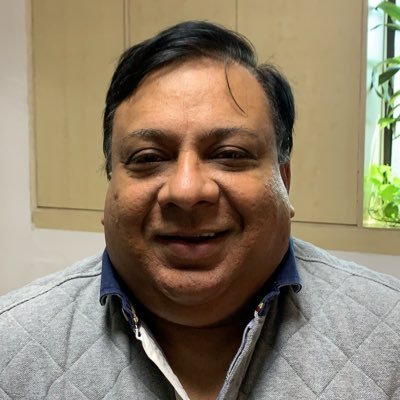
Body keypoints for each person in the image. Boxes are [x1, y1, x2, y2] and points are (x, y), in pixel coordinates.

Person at [1, 21, 399, 400]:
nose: (187, 191)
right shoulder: (10, 347)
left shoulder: (390, 332)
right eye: (148, 157)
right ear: (110, 187)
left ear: (284, 180)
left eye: (230, 154)